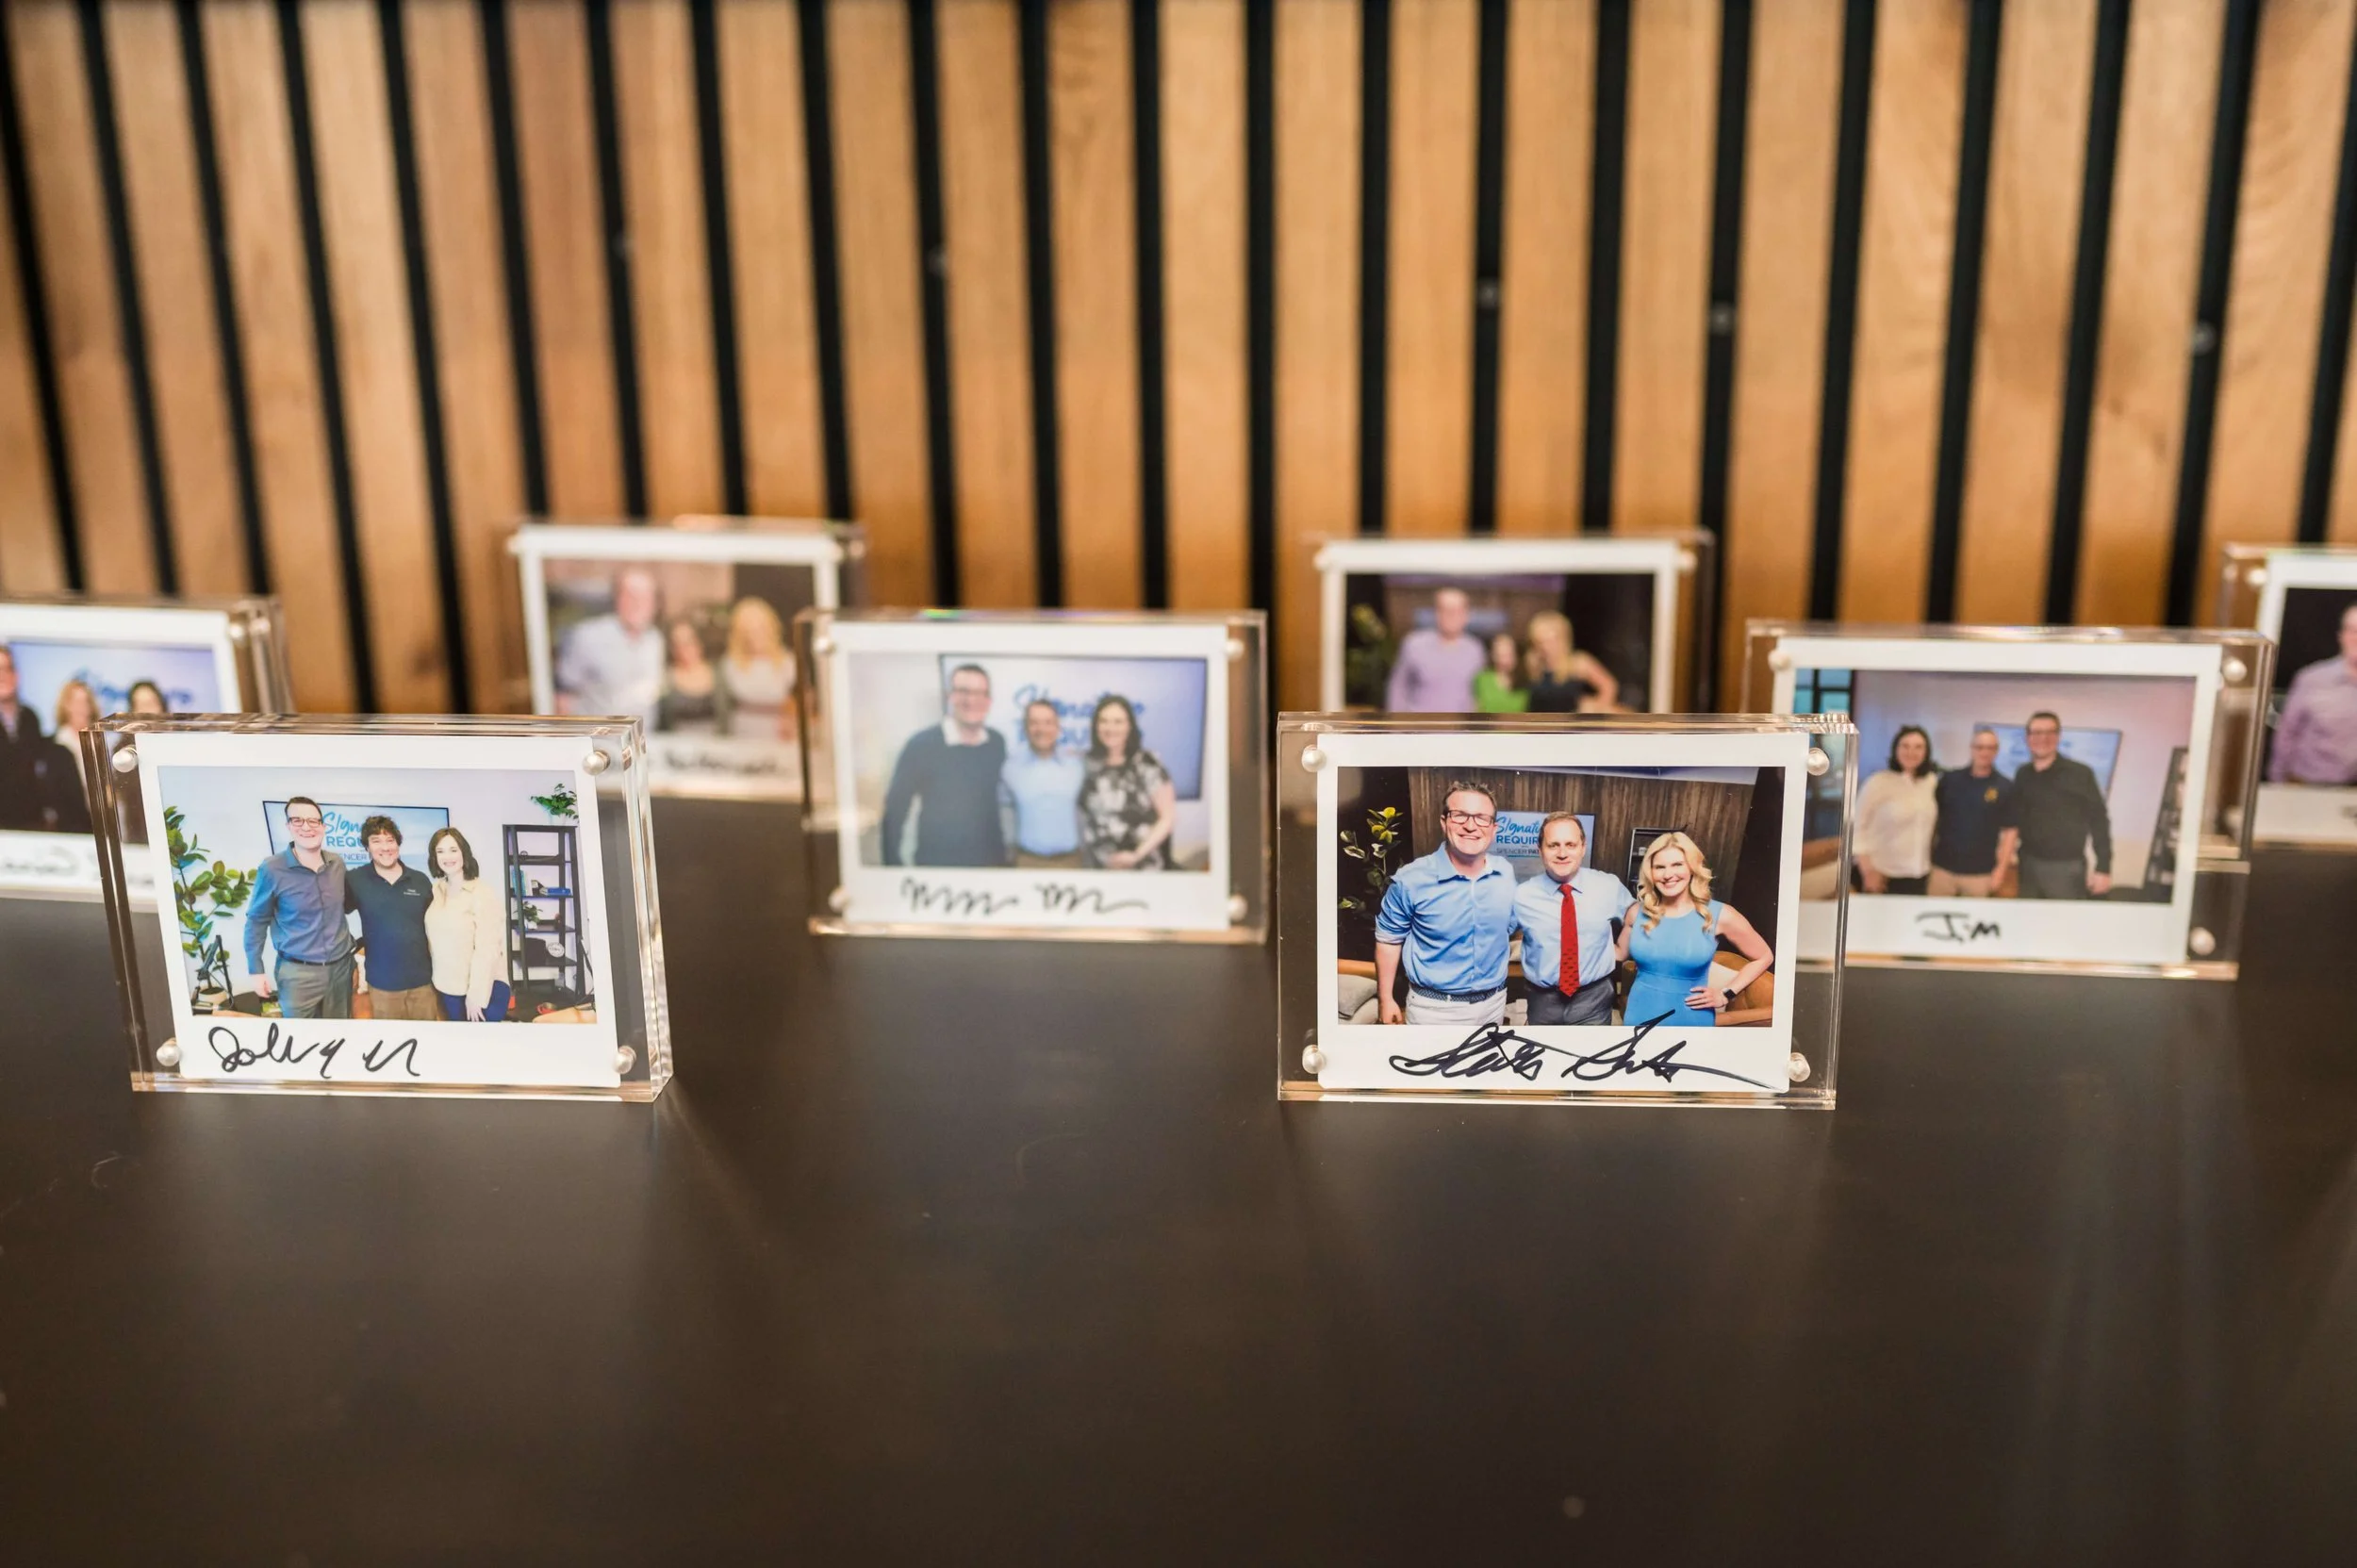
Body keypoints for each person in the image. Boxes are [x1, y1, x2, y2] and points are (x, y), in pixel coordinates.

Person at [1374, 783, 1517, 1027]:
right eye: (1459, 815)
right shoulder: (1410, 879)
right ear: (1444, 822)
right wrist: (1385, 999)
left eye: (1482, 818)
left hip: (1494, 1003)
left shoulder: (1505, 871)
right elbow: (1388, 940)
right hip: (1434, 1010)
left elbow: (1508, 927)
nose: (1470, 826)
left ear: (1494, 829)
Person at [1616, 832, 1772, 1030]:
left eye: (1677, 865)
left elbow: (1764, 956)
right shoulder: (1636, 912)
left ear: (1692, 867)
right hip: (1639, 1013)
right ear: (1650, 872)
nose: (1667, 874)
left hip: (1690, 1017)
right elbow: (1619, 952)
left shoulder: (1721, 914)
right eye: (1659, 867)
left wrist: (1726, 994)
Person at [1510, 812, 1633, 1025]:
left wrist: (1622, 949)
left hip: (1594, 998)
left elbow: (1639, 916)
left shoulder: (1609, 886)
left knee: (1594, 1056)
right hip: (1542, 1000)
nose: (1562, 853)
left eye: (1571, 844)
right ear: (1540, 850)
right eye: (1553, 845)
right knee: (1541, 1056)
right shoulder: (1521, 895)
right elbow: (1494, 936)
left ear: (1583, 847)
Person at [881, 663, 1008, 867]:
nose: (971, 700)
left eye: (979, 693)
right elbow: (895, 810)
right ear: (950, 695)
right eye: (963, 691)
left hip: (990, 867)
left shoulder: (996, 742)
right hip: (938, 869)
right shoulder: (920, 745)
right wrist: (892, 868)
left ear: (988, 700)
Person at [244, 795, 354, 1019]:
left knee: (340, 1037)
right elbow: (256, 921)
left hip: (341, 969)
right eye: (297, 820)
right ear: (288, 826)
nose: (307, 827)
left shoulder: (337, 864)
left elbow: (346, 906)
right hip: (298, 975)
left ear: (323, 826)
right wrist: (255, 970)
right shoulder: (272, 869)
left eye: (313, 821)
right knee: (300, 1042)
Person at [342, 815, 440, 1022]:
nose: (385, 847)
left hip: (422, 981)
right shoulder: (355, 880)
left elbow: (437, 926)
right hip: (382, 984)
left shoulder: (420, 880)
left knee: (429, 1043)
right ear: (367, 847)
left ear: (398, 843)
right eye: (376, 841)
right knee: (392, 1045)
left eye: (390, 840)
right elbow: (334, 914)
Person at [2013, 711, 2112, 900]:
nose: (2043, 738)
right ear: (2028, 738)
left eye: (2050, 732)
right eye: (2036, 733)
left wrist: (2103, 868)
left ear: (2058, 736)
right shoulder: (2022, 774)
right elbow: (2017, 816)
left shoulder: (2080, 774)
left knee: (2064, 925)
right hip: (2027, 865)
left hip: (2066, 870)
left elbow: (2099, 820)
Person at [554, 566, 666, 728]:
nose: (638, 603)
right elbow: (563, 698)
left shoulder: (655, 639)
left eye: (645, 596)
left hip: (641, 744)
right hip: (598, 746)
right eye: (631, 595)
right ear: (618, 598)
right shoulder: (587, 636)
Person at [1079, 695, 1178, 870]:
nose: (1110, 728)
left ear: (1129, 726)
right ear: (1095, 727)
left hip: (1142, 866)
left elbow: (1167, 819)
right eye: (1104, 721)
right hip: (1099, 870)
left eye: (1118, 722)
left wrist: (1136, 855)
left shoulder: (1147, 764)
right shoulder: (1088, 764)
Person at [424, 826, 511, 1022]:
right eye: (440, 851)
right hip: (448, 987)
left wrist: (476, 996)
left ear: (464, 852)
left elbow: (488, 948)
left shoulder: (482, 893)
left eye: (453, 850)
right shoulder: (436, 890)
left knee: (481, 1047)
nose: (448, 856)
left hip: (483, 988)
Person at [2269, 602, 2357, 785]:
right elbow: (2286, 734)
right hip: (2308, 786)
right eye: (2352, 631)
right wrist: (2277, 783)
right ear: (2341, 636)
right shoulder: (2312, 679)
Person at [1929, 728, 2019, 897]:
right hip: (1942, 871)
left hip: (1981, 875)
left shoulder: (2005, 787)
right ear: (1971, 748)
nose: (1984, 752)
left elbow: (2010, 832)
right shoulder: (1949, 780)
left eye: (1990, 748)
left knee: (1975, 922)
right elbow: (1933, 820)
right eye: (1980, 747)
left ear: (1996, 751)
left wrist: (2001, 871)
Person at [1854, 725, 1939, 894]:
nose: (1911, 752)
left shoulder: (1931, 782)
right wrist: (1868, 870)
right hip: (1882, 874)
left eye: (1918, 747)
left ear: (1926, 752)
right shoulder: (1877, 782)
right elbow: (1856, 827)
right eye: (1905, 746)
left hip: (1919, 873)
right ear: (1895, 749)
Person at [1000, 698, 1085, 868]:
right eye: (1034, 723)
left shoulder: (1076, 766)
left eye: (1048, 723)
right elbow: (1004, 815)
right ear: (1025, 728)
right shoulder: (1010, 768)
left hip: (1071, 862)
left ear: (1058, 727)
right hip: (1026, 862)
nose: (1041, 729)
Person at [1385, 586, 1487, 713]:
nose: (1451, 615)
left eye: (1456, 610)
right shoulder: (1414, 644)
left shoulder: (1475, 649)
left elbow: (1479, 694)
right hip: (1420, 728)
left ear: (1466, 615)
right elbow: (1398, 689)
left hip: (1461, 730)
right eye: (1445, 609)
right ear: (1436, 613)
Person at [722, 597, 795, 741]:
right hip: (742, 732)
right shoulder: (731, 663)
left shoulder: (787, 661)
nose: (753, 636)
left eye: (759, 629)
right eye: (747, 631)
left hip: (778, 733)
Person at [1523, 611, 1620, 714]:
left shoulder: (1577, 663)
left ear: (1563, 639)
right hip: (1540, 725)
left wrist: (1596, 709)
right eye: (1540, 642)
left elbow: (1609, 686)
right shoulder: (1533, 665)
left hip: (1569, 726)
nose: (1546, 647)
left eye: (1551, 641)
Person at [654, 618, 729, 735]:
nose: (683, 648)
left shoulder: (719, 674)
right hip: (677, 748)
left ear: (699, 641)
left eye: (689, 641)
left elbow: (726, 718)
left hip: (714, 748)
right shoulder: (666, 678)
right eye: (677, 644)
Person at [52, 679, 98, 784]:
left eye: (86, 702)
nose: (82, 708)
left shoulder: (99, 738)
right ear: (66, 706)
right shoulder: (59, 742)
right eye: (77, 702)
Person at [1473, 634, 1528, 714]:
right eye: (1500, 655)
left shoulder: (1525, 681)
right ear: (1492, 655)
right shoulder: (1482, 680)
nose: (1504, 661)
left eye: (1508, 655)